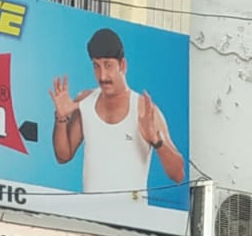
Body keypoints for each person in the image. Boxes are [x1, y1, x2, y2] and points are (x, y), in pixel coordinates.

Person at [50, 27, 184, 198]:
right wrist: (60, 117)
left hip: (131, 219)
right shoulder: (84, 101)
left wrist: (157, 141)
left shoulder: (144, 109)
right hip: (91, 217)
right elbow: (63, 156)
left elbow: (178, 175)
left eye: (108, 65)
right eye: (96, 66)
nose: (103, 75)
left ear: (122, 65)